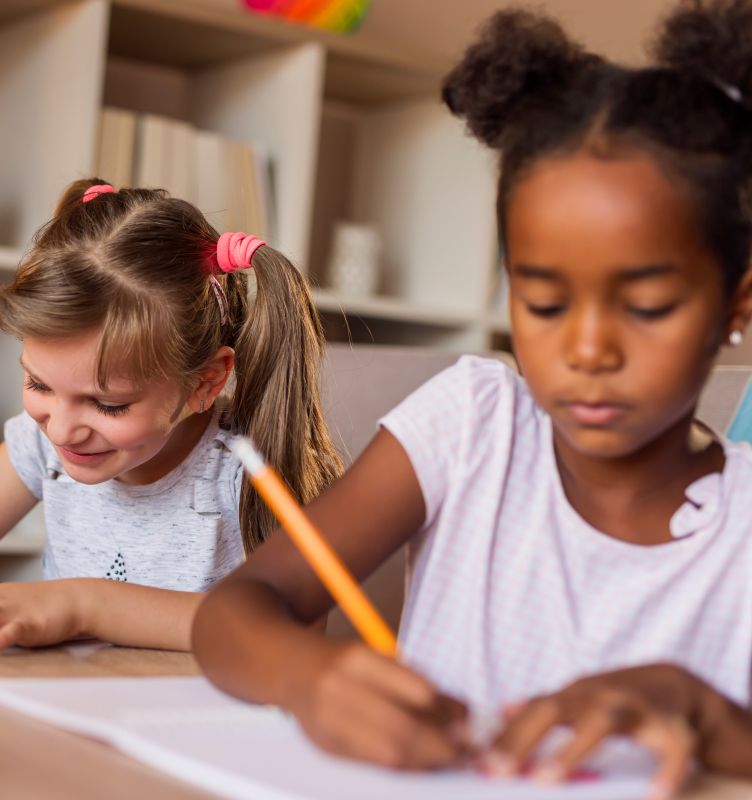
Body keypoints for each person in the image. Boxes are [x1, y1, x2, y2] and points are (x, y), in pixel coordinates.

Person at [192, 3, 752, 796]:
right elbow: (237, 611)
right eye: (546, 305)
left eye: (648, 307)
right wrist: (307, 677)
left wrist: (703, 714)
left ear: (736, 306)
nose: (588, 351)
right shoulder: (474, 425)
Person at [0, 179, 342, 652]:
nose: (61, 429)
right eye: (39, 384)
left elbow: (284, 624)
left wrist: (84, 605)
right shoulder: (42, 443)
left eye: (108, 404)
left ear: (205, 382)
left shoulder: (250, 466)